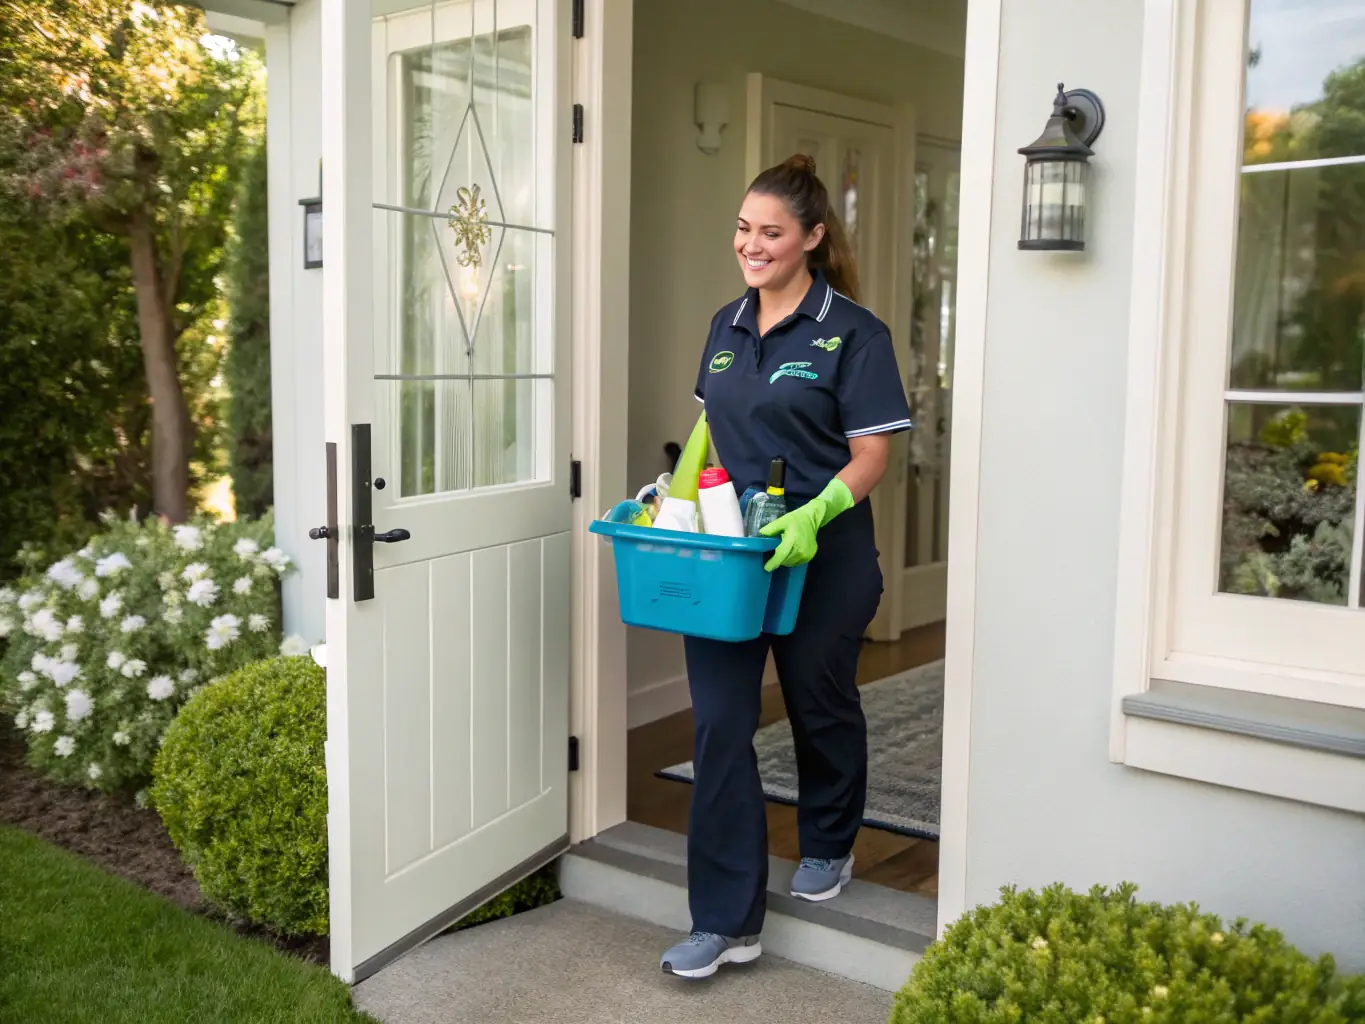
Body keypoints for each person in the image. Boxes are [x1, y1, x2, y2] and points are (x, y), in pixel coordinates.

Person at [660, 154, 913, 979]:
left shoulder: (853, 333)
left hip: (823, 554)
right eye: (743, 229)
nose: (751, 245)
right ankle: (724, 922)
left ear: (811, 238)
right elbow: (709, 434)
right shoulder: (725, 325)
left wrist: (814, 514)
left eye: (770, 232)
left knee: (818, 703)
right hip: (733, 555)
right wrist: (670, 499)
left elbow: (871, 454)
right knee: (719, 724)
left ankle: (829, 841)